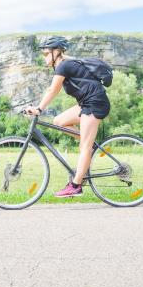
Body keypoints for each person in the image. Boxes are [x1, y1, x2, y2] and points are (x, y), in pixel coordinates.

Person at [25, 36, 111, 198]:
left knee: (84, 148)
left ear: (56, 52)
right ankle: (88, 142)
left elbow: (53, 90)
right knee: (59, 121)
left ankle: (76, 186)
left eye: (46, 54)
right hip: (87, 103)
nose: (44, 57)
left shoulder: (63, 66)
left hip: (94, 104)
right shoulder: (64, 65)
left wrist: (39, 109)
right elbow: (53, 90)